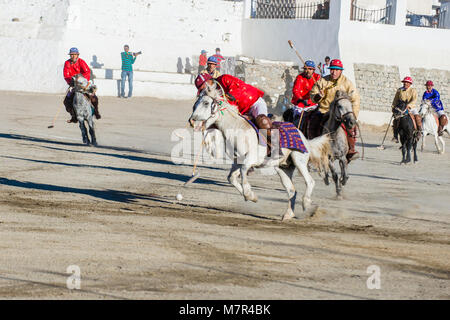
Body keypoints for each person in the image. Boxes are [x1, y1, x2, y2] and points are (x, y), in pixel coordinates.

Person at [194, 73, 272, 146]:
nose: (203, 91)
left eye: (203, 88)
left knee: (263, 121)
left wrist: (226, 97)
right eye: (201, 90)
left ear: (208, 81)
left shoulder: (224, 78)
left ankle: (274, 148)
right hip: (241, 113)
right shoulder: (212, 96)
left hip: (255, 103)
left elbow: (239, 87)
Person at [310, 59, 361, 162]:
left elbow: (355, 100)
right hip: (324, 110)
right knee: (313, 122)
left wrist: (353, 116)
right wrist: (318, 96)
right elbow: (312, 96)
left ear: (341, 71)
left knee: (351, 128)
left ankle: (351, 150)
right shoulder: (322, 81)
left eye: (337, 70)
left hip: (341, 113)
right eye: (332, 69)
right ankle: (314, 147)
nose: (334, 72)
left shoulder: (347, 83)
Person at [63, 47, 100, 123]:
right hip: (73, 84)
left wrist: (82, 81)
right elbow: (66, 75)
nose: (73, 56)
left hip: (83, 83)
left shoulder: (81, 62)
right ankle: (73, 116)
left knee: (93, 97)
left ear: (77, 55)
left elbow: (87, 72)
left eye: (74, 54)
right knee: (66, 101)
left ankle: (96, 111)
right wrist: (71, 82)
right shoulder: (67, 63)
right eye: (71, 54)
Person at [291, 60, 321, 136]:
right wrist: (301, 99)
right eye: (306, 69)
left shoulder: (317, 77)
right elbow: (295, 90)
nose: (307, 71)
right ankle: (297, 136)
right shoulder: (299, 77)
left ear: (313, 70)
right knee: (298, 122)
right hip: (301, 105)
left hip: (314, 104)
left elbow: (319, 90)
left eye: (310, 69)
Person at [391, 76, 421, 142]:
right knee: (395, 119)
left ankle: (418, 131)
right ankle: (395, 135)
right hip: (401, 108)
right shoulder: (399, 90)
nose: (405, 84)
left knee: (418, 117)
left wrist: (409, 105)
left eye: (407, 83)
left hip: (411, 108)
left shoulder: (413, 90)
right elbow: (395, 99)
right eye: (404, 82)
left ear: (410, 84)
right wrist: (393, 107)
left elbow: (414, 99)